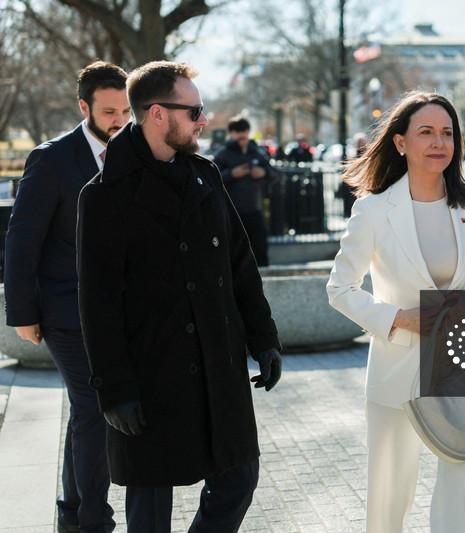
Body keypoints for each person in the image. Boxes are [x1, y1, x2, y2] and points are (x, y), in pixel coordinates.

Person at [76, 61, 282, 532]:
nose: (203, 120)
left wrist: (263, 337)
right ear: (156, 115)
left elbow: (240, 264)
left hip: (218, 365)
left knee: (238, 479)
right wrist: (114, 389)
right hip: (150, 374)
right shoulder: (105, 194)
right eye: (194, 111)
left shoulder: (205, 175)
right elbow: (98, 302)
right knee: (150, 508)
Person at [326, 91, 465, 533]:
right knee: (390, 491)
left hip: (460, 365)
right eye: (426, 132)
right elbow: (340, 289)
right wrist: (397, 319)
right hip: (396, 367)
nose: (439, 142)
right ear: (401, 143)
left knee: (460, 476)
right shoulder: (374, 210)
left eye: (447, 133)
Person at [4, 60, 128, 532]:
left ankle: (71, 512)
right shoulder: (52, 158)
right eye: (110, 110)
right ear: (84, 107)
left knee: (85, 412)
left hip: (113, 310)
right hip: (63, 309)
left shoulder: (133, 153)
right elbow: (21, 240)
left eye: (125, 111)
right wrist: (22, 313)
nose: (119, 120)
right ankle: (96, 521)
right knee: (95, 409)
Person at [213, 116, 273, 266]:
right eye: (237, 131)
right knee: (234, 252)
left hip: (254, 209)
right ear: (231, 133)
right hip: (232, 212)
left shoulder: (257, 152)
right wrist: (231, 174)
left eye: (244, 131)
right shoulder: (223, 154)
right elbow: (212, 177)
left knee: (260, 249)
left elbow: (274, 173)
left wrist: (264, 173)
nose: (241, 135)